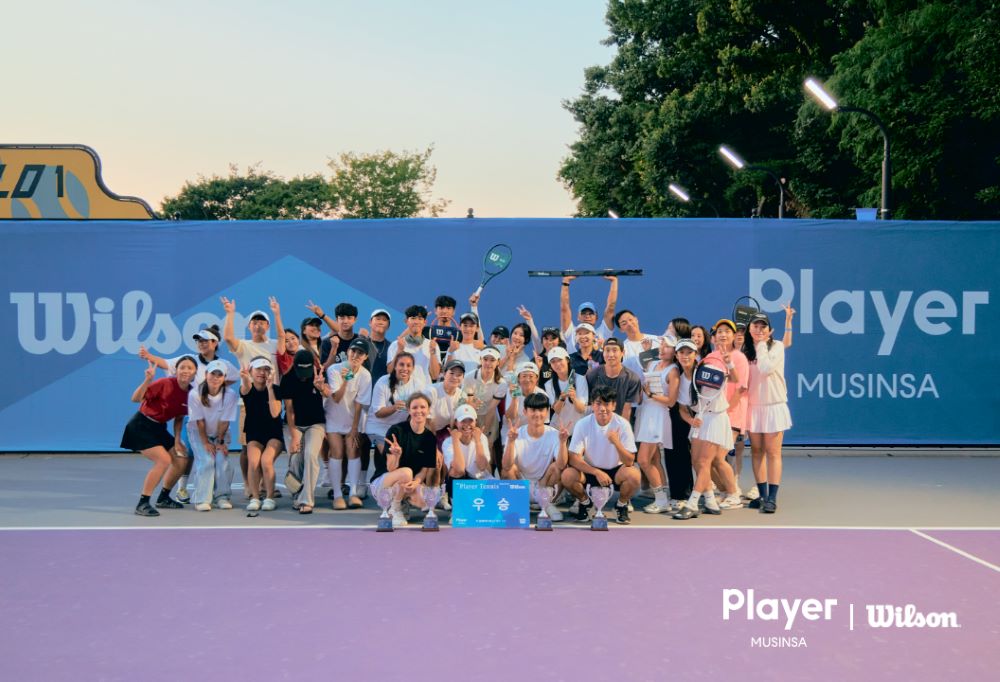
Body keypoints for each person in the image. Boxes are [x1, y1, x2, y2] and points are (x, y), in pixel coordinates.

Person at [139, 324, 239, 502]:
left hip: (214, 418)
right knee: (188, 453)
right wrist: (148, 356)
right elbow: (166, 363)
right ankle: (182, 488)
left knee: (216, 456)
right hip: (191, 414)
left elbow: (235, 377)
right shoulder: (190, 360)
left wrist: (215, 386)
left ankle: (218, 493)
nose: (201, 343)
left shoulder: (225, 365)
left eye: (205, 341)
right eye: (199, 341)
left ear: (215, 343)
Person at [673, 338, 741, 520]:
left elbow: (735, 379)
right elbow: (682, 409)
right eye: (681, 353)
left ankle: (692, 503)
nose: (685, 356)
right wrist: (690, 420)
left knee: (703, 462)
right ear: (676, 355)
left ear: (695, 355)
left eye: (689, 352)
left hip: (716, 418)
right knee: (696, 462)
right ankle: (710, 500)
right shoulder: (681, 379)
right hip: (700, 420)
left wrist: (729, 363)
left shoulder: (708, 370)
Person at [120, 357, 197, 516]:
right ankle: (142, 503)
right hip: (141, 425)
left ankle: (163, 498)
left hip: (159, 428)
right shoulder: (164, 383)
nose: (185, 371)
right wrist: (148, 380)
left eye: (190, 368)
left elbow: (179, 418)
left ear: (195, 372)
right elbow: (135, 399)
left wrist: (177, 440)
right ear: (176, 370)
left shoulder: (191, 394)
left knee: (181, 459)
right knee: (164, 460)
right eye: (182, 367)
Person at [562, 386, 639, 525]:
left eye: (607, 404)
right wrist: (596, 472)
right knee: (567, 475)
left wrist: (616, 443)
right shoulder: (582, 424)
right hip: (590, 470)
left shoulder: (623, 424)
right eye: (598, 403)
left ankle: (621, 505)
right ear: (592, 405)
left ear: (613, 405)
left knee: (634, 475)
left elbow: (629, 461)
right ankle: (586, 503)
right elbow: (573, 458)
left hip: (616, 471)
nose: (602, 408)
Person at [370, 393, 443, 528]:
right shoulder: (396, 431)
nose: (419, 411)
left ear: (428, 410)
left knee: (424, 500)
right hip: (384, 484)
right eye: (414, 407)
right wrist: (396, 455)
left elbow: (424, 470)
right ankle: (395, 508)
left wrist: (417, 482)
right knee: (406, 472)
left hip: (406, 483)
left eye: (423, 407)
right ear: (409, 410)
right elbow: (390, 468)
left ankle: (403, 503)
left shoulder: (429, 437)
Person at [744, 312, 792, 513]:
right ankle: (762, 495)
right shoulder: (745, 351)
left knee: (773, 452)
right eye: (755, 326)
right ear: (749, 329)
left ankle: (772, 498)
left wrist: (762, 344)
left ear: (769, 330)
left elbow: (765, 368)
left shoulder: (777, 347)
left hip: (774, 406)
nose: (759, 330)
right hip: (753, 408)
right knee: (756, 452)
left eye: (763, 326)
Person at [501, 393, 568, 521]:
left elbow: (561, 465)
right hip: (522, 484)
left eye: (541, 410)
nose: (537, 414)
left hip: (544, 484)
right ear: (525, 411)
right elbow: (506, 466)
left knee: (556, 467)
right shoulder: (516, 433)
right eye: (533, 410)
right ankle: (520, 504)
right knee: (508, 470)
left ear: (547, 412)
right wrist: (511, 442)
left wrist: (563, 443)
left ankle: (546, 503)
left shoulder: (555, 434)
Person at [324, 338, 373, 509]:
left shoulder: (366, 375)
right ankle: (337, 495)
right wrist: (346, 380)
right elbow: (336, 398)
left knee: (353, 451)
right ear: (348, 352)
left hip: (353, 420)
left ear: (365, 357)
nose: (356, 355)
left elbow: (359, 404)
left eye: (360, 353)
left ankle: (353, 493)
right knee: (336, 452)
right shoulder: (334, 369)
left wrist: (354, 429)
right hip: (333, 419)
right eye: (353, 351)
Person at [279, 349, 328, 514]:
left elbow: (330, 395)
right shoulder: (287, 378)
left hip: (316, 423)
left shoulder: (319, 374)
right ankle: (297, 494)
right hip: (294, 424)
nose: (304, 377)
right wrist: (294, 436)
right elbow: (289, 409)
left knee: (310, 455)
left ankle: (306, 500)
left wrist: (321, 388)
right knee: (295, 457)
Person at [187, 359, 239, 511]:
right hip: (198, 432)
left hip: (220, 433)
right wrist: (205, 442)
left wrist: (220, 442)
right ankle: (201, 499)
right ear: (206, 374)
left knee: (222, 460)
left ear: (224, 378)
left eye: (219, 375)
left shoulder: (230, 395)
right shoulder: (195, 394)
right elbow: (200, 421)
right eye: (212, 374)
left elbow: (225, 421)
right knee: (207, 460)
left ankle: (222, 497)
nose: (215, 378)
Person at [634, 338, 678, 513]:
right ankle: (664, 496)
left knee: (643, 460)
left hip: (658, 416)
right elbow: (647, 382)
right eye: (662, 345)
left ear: (675, 351)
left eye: (667, 346)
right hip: (645, 412)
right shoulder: (652, 364)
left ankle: (661, 500)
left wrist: (651, 395)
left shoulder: (673, 371)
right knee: (653, 459)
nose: (662, 348)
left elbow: (671, 401)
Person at [366, 352, 431, 457]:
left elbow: (421, 412)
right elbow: (378, 413)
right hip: (378, 428)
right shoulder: (383, 382)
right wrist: (394, 408)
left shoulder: (418, 385)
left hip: (400, 429)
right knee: (392, 457)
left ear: (413, 368)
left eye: (408, 365)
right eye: (401, 364)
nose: (405, 368)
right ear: (395, 366)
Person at [713, 319, 750, 500]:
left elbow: (741, 388)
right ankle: (725, 491)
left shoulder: (739, 357)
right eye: (720, 331)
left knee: (719, 457)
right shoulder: (712, 357)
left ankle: (733, 493)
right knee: (710, 459)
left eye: (727, 331)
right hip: (715, 414)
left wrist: (726, 411)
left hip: (732, 414)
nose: (723, 334)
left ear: (734, 336)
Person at [240, 356, 283, 511]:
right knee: (253, 462)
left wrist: (270, 388)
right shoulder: (247, 388)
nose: (262, 372)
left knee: (266, 461)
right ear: (251, 371)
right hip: (254, 433)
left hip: (274, 434)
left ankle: (270, 498)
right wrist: (245, 378)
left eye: (266, 369)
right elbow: (246, 386)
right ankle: (255, 498)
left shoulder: (276, 389)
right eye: (258, 369)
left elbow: (275, 413)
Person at [462, 346, 509, 473]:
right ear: (480, 360)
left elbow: (491, 409)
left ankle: (489, 475)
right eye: (485, 359)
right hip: (470, 416)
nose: (488, 363)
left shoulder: (502, 383)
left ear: (498, 362)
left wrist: (485, 432)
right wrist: (471, 407)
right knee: (470, 446)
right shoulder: (469, 377)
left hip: (489, 416)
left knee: (488, 445)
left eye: (492, 360)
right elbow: (468, 403)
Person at [584, 338, 642, 421]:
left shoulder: (632, 379)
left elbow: (627, 410)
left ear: (622, 353)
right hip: (596, 423)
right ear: (603, 353)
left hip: (619, 423)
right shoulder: (591, 375)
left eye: (615, 350)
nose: (611, 354)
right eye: (607, 350)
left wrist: (620, 428)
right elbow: (589, 405)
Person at [560, 275, 617, 354]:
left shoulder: (604, 332)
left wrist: (614, 282)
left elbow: (611, 307)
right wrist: (565, 282)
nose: (587, 316)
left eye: (591, 313)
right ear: (578, 317)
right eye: (583, 313)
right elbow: (564, 308)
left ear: (596, 317)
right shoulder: (571, 332)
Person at [388, 305, 440, 383]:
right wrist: (399, 350)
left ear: (425, 322)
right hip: (401, 389)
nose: (416, 322)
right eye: (413, 318)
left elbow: (435, 376)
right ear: (406, 321)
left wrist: (432, 353)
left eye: (420, 319)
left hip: (424, 389)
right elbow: (390, 372)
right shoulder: (396, 345)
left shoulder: (432, 345)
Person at [443, 404, 493, 486]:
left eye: (470, 420)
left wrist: (477, 441)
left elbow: (482, 466)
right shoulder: (448, 442)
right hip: (460, 481)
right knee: (455, 472)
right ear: (456, 423)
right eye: (463, 421)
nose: (467, 424)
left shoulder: (481, 437)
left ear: (475, 422)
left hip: (480, 479)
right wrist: (455, 441)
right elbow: (459, 469)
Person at [501, 362, 549, 446]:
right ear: (518, 378)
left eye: (531, 376)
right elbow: (509, 418)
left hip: (532, 433)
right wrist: (514, 398)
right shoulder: (512, 391)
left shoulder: (542, 395)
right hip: (512, 432)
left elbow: (543, 422)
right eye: (524, 376)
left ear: (537, 378)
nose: (527, 379)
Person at [544, 346, 589, 434]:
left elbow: (582, 410)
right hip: (558, 429)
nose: (557, 364)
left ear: (567, 360)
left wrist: (574, 398)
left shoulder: (580, 379)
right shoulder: (549, 384)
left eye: (560, 360)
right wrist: (562, 398)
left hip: (578, 429)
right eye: (553, 362)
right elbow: (557, 411)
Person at [426, 294, 461, 362]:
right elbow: (406, 337)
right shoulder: (426, 331)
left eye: (448, 308)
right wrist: (420, 320)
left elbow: (480, 343)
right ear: (435, 311)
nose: (444, 311)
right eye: (441, 308)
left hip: (451, 367)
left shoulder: (459, 334)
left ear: (453, 312)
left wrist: (474, 307)